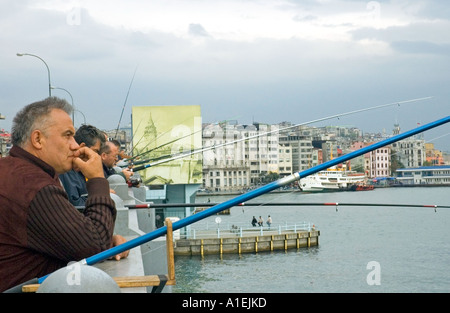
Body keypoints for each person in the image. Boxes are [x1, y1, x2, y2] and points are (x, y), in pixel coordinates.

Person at [0, 97, 128, 292]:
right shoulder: (34, 186)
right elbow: (95, 246)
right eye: (67, 135)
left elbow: (66, 237)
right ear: (37, 139)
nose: (75, 145)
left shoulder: (13, 172)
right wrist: (97, 179)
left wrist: (99, 239)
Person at [59, 124, 106, 206]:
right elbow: (76, 205)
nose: (97, 157)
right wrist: (99, 193)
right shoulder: (66, 171)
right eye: (95, 151)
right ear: (83, 147)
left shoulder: (82, 172)